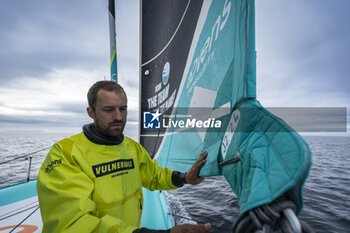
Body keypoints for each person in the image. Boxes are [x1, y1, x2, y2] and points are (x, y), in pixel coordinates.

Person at [37, 81, 211, 233]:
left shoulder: (132, 147)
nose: (118, 117)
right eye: (108, 110)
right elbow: (73, 224)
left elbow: (154, 176)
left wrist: (184, 178)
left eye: (123, 109)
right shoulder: (65, 153)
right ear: (91, 112)